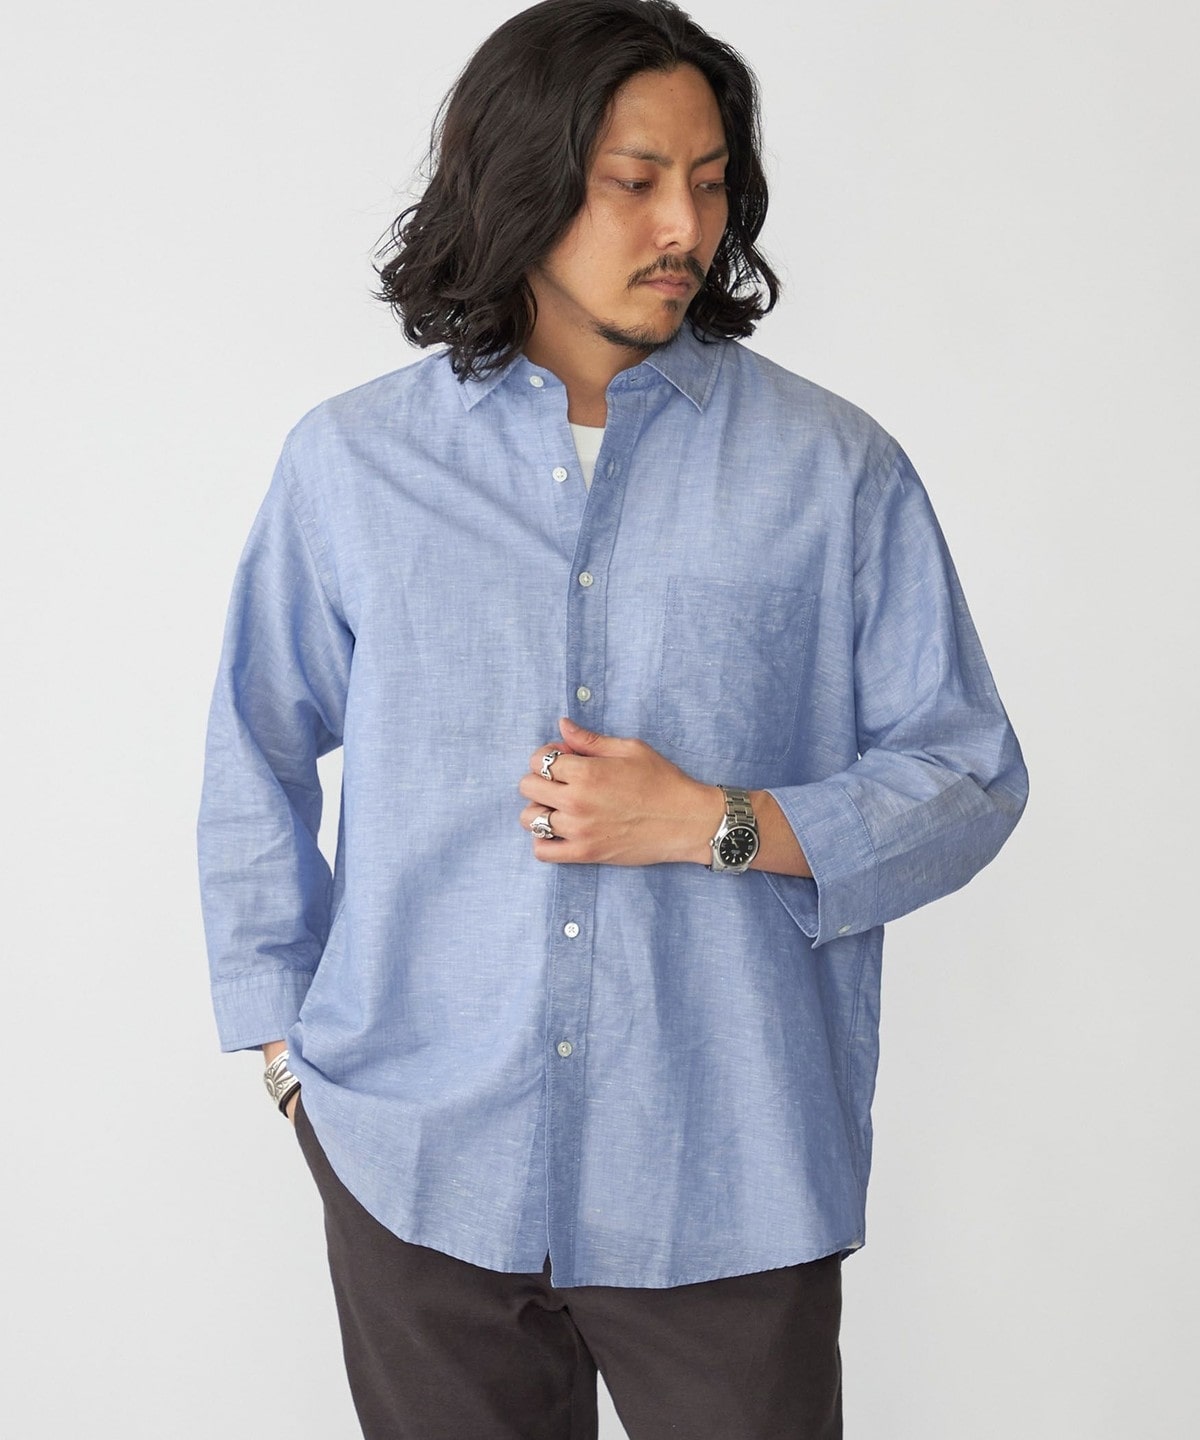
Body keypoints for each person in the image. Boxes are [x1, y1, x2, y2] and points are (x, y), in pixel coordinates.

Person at [197, 1, 1028, 1435]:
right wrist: (289, 1062)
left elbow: (969, 774)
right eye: (634, 181)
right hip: (419, 1172)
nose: (685, 226)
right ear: (522, 186)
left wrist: (719, 823)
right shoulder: (351, 465)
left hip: (729, 1173)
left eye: (709, 181)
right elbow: (254, 747)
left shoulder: (834, 471)